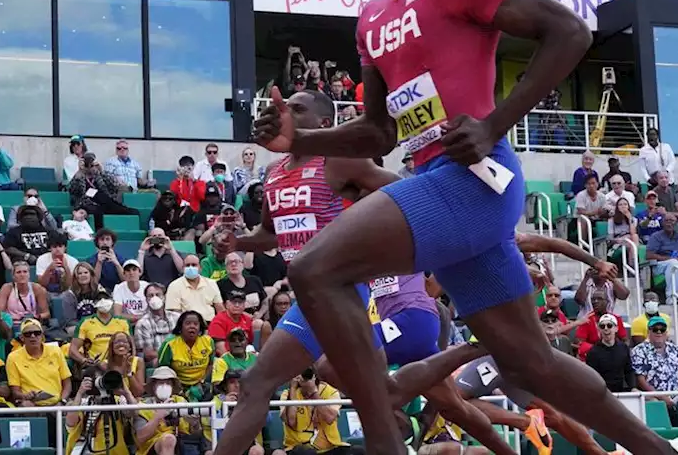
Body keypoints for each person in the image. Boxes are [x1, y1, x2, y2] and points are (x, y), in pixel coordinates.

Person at [252, 0, 678, 455]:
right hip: (437, 184)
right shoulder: (371, 17)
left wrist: (494, 121)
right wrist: (302, 142)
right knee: (530, 365)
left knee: (315, 267)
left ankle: (384, 443)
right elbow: (378, 133)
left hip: (474, 182)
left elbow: (571, 32)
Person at [219, 89, 518, 455]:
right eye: (286, 109)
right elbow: (269, 234)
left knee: (259, 383)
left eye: (298, 109)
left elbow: (411, 196)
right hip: (314, 297)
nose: (288, 114)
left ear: (323, 124)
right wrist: (238, 243)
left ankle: (473, 354)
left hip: (339, 293)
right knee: (378, 400)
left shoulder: (340, 161)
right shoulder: (273, 173)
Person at [6, 319, 72, 408]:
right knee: (26, 406)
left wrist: (62, 401)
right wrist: (25, 396)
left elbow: (67, 383)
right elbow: (15, 391)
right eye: (28, 334)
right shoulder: (13, 357)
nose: (33, 336)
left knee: (72, 407)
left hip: (57, 403)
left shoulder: (56, 351)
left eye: (36, 333)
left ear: (42, 336)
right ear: (22, 338)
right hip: (31, 403)